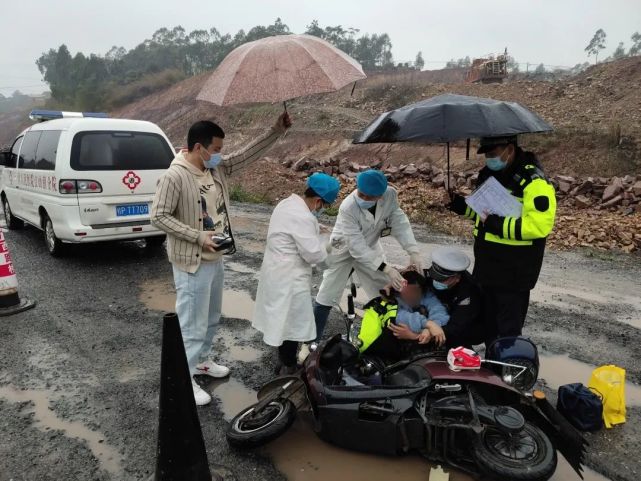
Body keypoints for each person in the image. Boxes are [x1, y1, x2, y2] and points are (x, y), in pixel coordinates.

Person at [151, 112, 291, 406]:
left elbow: (246, 155)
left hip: (216, 257)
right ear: (198, 147)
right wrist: (197, 236)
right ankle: (184, 377)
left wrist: (276, 130)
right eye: (215, 149)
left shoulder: (214, 170)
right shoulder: (175, 176)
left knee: (212, 316)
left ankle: (202, 361)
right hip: (192, 260)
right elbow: (158, 216)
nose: (220, 155)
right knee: (191, 323)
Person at [449, 135, 556, 343]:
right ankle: (490, 371)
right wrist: (462, 207)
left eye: (493, 154)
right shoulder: (490, 176)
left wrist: (496, 224)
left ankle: (506, 371)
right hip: (487, 269)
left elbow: (539, 226)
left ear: (509, 149)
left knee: (507, 333)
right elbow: (484, 216)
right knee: (488, 327)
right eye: (487, 155)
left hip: (513, 274)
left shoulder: (534, 182)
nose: (489, 159)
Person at [313, 169, 421, 343]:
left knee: (384, 291)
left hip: (370, 246)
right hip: (343, 248)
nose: (362, 199)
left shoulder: (390, 195)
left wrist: (413, 251)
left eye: (368, 197)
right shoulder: (348, 206)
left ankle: (386, 337)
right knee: (326, 294)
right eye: (360, 193)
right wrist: (387, 268)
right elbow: (356, 247)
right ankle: (311, 341)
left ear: (380, 195)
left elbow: (399, 221)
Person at [252, 173, 341, 375]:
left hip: (276, 272)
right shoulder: (303, 217)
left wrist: (316, 227)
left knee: (283, 321)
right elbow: (314, 255)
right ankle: (289, 367)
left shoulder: (287, 204)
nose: (321, 211)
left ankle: (284, 361)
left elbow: (293, 227)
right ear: (318, 201)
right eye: (324, 206)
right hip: (290, 278)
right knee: (291, 324)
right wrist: (328, 246)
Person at [357, 271, 449, 362]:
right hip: (391, 348)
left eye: (415, 291)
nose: (411, 295)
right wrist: (427, 324)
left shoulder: (427, 296)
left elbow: (439, 311)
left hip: (419, 339)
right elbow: (402, 317)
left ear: (422, 290)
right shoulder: (394, 301)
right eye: (407, 291)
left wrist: (430, 328)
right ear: (399, 291)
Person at [424, 246, 485, 348]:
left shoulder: (469, 293)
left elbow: (457, 327)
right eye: (434, 275)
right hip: (444, 315)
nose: (436, 280)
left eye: (441, 279)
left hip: (467, 327)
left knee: (455, 340)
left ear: (456, 278)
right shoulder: (435, 275)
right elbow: (419, 280)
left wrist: (427, 332)